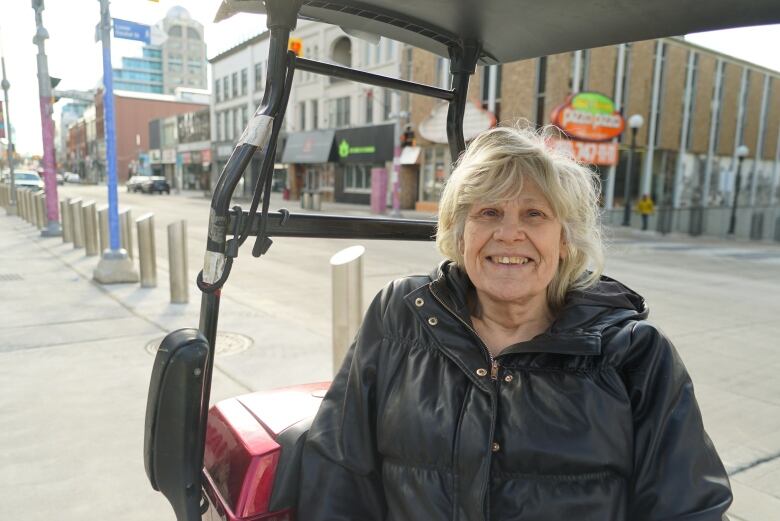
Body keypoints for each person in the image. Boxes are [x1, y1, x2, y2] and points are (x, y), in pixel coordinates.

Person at [298, 126, 731, 520]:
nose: (508, 233)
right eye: (488, 212)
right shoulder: (400, 315)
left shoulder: (635, 353)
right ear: (460, 231)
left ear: (564, 240)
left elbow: (690, 509)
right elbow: (338, 468)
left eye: (534, 215)